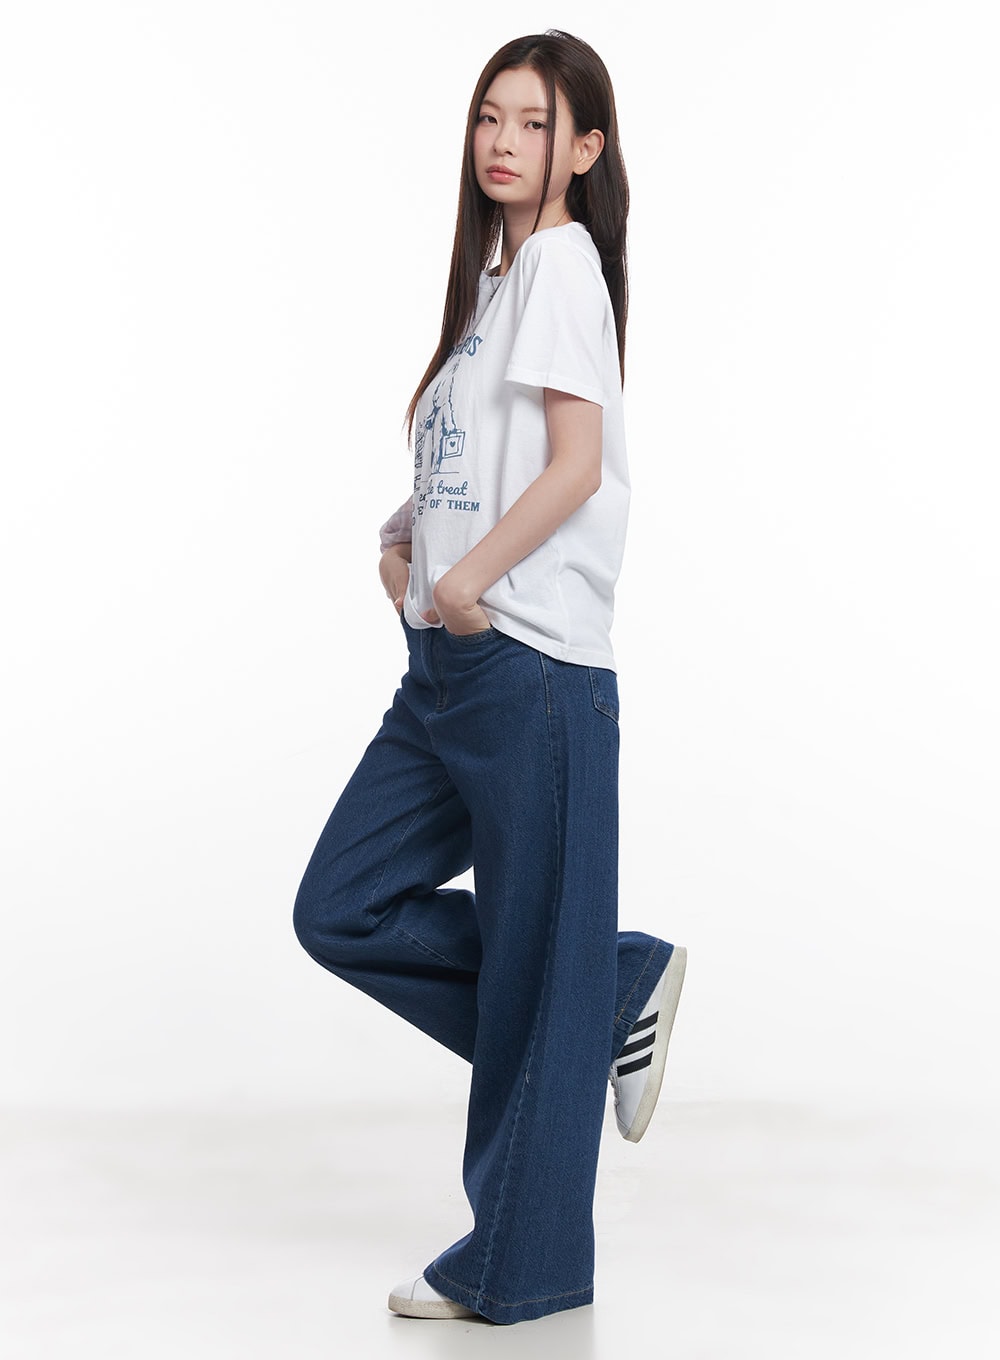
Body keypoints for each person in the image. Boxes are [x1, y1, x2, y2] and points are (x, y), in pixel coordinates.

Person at [293, 29, 687, 1326]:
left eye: (536, 122)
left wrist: (466, 587)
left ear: (585, 149)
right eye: (489, 118)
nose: (505, 142)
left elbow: (575, 466)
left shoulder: (564, 264)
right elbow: (478, 458)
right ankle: (602, 987)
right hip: (445, 672)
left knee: (538, 964)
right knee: (343, 906)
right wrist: (408, 546)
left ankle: (521, 1266)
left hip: (529, 666)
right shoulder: (498, 283)